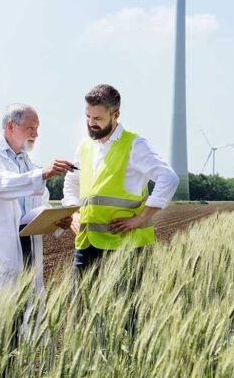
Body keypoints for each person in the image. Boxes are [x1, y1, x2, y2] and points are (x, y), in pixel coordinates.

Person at [61, 84, 179, 276]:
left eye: (98, 118)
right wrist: (74, 212)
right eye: (88, 116)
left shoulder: (134, 145)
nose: (91, 123)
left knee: (124, 305)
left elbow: (169, 178)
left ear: (116, 115)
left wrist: (141, 219)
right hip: (85, 244)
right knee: (79, 306)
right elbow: (71, 182)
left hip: (125, 246)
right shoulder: (84, 146)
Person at [0, 103, 75, 309]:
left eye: (37, 128)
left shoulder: (27, 162)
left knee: (26, 324)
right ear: (10, 126)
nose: (36, 134)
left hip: (27, 255)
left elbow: (40, 203)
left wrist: (58, 220)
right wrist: (43, 174)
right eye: (30, 128)